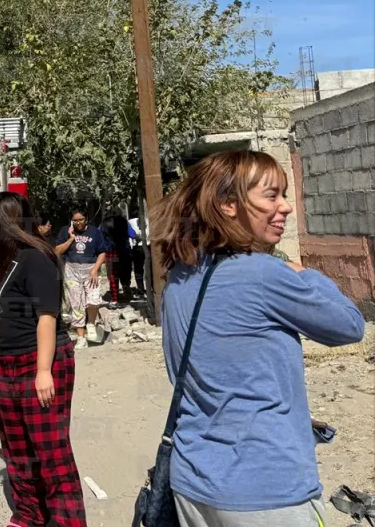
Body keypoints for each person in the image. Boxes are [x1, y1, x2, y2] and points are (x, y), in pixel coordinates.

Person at [152, 150, 364, 527]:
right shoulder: (265, 274)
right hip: (266, 490)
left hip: (194, 482)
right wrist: (302, 273)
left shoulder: (179, 279)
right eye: (271, 195)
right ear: (227, 205)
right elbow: (349, 325)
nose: (285, 207)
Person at [0, 191, 87, 527]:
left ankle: (67, 521)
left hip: (38, 360)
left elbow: (47, 316)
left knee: (51, 453)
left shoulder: (36, 257)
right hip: (2, 361)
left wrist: (43, 371)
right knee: (16, 447)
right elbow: (0, 293)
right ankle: (29, 514)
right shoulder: (6, 257)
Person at [54, 209, 110, 347]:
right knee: (76, 303)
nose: (78, 222)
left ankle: (90, 323)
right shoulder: (65, 231)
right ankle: (81, 337)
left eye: (81, 219)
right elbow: (57, 251)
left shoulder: (94, 232)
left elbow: (102, 252)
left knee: (94, 300)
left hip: (90, 269)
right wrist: (71, 238)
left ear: (86, 219)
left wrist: (95, 270)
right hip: (72, 269)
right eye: (75, 220)